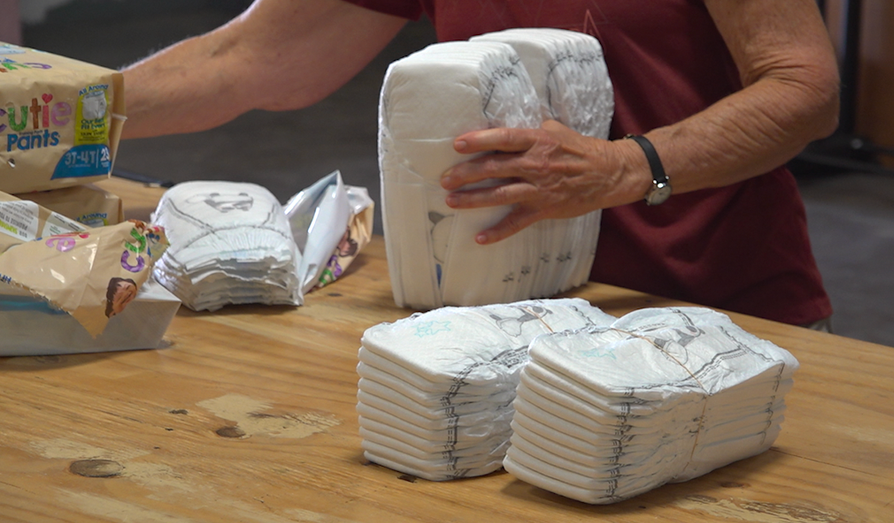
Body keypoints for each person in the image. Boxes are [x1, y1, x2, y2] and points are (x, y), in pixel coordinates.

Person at [120, 0, 839, 328]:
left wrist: (623, 167)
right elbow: (248, 59)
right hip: (506, 313)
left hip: (708, 305)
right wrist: (56, 111)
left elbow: (802, 87)